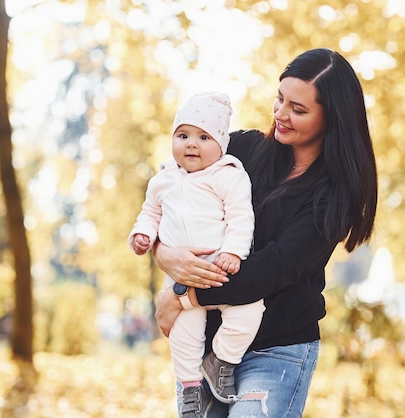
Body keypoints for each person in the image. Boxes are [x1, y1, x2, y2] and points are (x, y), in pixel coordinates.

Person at [154, 48, 378, 417]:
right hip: (206, 344)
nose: (280, 114)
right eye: (280, 99)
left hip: (278, 351)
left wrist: (182, 297)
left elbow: (272, 270)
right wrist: (162, 252)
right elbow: (169, 194)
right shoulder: (238, 150)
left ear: (332, 118)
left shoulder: (335, 195)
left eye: (298, 109)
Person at [128, 92, 265, 417]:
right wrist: (143, 234)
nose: (191, 144)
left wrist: (233, 251)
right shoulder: (162, 180)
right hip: (181, 276)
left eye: (204, 137)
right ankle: (190, 388)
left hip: (221, 271)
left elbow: (240, 217)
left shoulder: (229, 175)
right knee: (183, 333)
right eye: (183, 135)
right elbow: (150, 213)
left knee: (248, 313)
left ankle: (220, 360)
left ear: (221, 144)